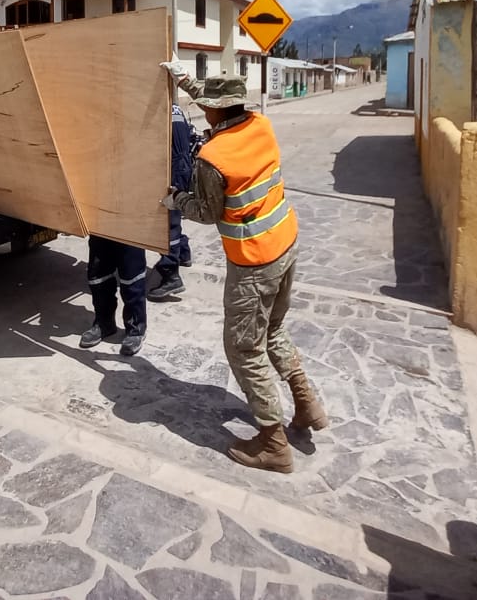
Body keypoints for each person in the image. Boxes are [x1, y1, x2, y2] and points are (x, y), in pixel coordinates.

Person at [159, 66, 328, 473]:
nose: (201, 110)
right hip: (285, 243)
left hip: (253, 261)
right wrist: (182, 78)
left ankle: (273, 443)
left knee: (243, 348)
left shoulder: (213, 157)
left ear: (214, 112)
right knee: (273, 330)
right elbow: (215, 96)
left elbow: (205, 211)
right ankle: (307, 405)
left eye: (205, 106)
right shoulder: (261, 124)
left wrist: (173, 199)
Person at [146, 102, 198, 301]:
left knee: (169, 224)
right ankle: (183, 253)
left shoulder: (158, 108)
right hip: (182, 166)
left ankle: (171, 276)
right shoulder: (174, 107)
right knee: (174, 217)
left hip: (173, 170)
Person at [80, 235, 147, 357]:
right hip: (99, 224)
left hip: (131, 225)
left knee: (131, 278)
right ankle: (104, 323)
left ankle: (136, 330)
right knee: (98, 276)